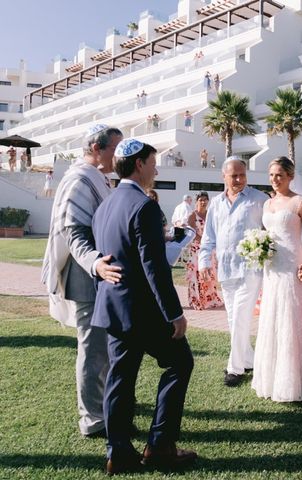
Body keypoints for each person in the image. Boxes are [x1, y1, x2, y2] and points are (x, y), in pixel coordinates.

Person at [91, 138, 196, 475]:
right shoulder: (144, 206)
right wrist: (175, 314)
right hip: (142, 312)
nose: (156, 168)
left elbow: (119, 250)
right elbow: (154, 268)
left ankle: (118, 452)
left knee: (120, 379)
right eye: (153, 162)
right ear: (139, 164)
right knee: (180, 362)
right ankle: (161, 445)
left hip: (113, 307)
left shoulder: (106, 205)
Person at [41, 124, 124, 438]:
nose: (118, 155)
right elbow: (73, 232)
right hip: (87, 276)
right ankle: (92, 420)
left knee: (104, 348)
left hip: (103, 274)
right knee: (93, 351)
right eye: (115, 148)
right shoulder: (79, 179)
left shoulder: (99, 178)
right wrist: (94, 264)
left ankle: (104, 405)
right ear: (96, 147)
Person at [251, 157, 302, 402]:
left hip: (294, 264)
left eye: (279, 175)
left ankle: (301, 377)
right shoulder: (267, 204)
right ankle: (272, 377)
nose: (274, 179)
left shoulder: (299, 202)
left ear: (290, 176)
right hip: (272, 267)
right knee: (273, 314)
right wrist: (258, 248)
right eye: (272, 175)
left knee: (293, 315)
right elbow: (268, 234)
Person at [199, 156, 268, 386]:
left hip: (250, 269)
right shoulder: (216, 203)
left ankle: (234, 369)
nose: (239, 179)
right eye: (234, 175)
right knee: (232, 318)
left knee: (239, 316)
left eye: (242, 174)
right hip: (225, 270)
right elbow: (209, 236)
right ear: (224, 177)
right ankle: (247, 358)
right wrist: (204, 263)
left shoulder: (259, 199)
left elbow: (270, 233)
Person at [186, 192, 223, 310]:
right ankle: (197, 299)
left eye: (205, 200)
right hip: (197, 248)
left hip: (208, 249)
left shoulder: (210, 215)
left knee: (209, 273)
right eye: (201, 200)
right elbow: (191, 233)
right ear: (196, 201)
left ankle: (210, 298)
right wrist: (203, 240)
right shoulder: (192, 215)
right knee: (197, 274)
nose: (203, 202)